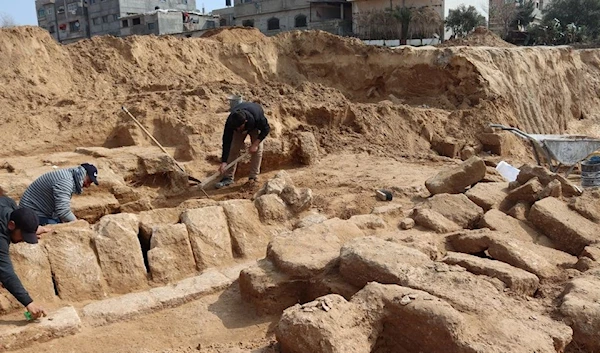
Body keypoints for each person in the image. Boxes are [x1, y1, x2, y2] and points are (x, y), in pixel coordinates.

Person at [0, 196, 47, 319]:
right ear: (11, 225)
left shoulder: (8, 205)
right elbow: (6, 272)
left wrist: (30, 231)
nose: (23, 240)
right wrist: (29, 303)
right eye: (23, 235)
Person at [19, 163, 99, 226]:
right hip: (30, 213)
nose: (88, 186)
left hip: (38, 210)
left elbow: (62, 210)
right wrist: (79, 224)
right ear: (83, 174)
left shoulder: (69, 176)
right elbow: (63, 211)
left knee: (62, 222)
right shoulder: (65, 182)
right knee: (57, 229)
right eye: (88, 181)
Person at [216, 102, 270, 189]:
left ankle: (253, 177)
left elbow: (266, 129)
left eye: (239, 127)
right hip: (241, 124)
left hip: (254, 126)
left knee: (258, 150)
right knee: (233, 148)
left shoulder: (257, 117)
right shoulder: (231, 122)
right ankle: (228, 178)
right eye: (236, 127)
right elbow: (226, 141)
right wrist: (224, 161)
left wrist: (255, 144)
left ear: (245, 122)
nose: (238, 129)